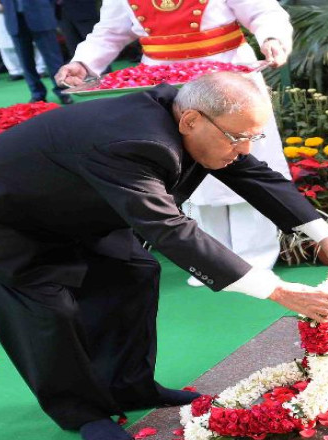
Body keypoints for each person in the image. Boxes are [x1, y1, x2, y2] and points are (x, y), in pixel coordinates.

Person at [0, 72, 328, 440]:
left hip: (74, 202)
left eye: (253, 137)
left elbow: (253, 175)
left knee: (133, 271)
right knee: (48, 308)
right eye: (238, 137)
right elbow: (170, 229)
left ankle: (130, 387)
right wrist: (277, 290)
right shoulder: (137, 141)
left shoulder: (196, 118)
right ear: (191, 121)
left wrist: (322, 237)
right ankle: (80, 411)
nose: (245, 148)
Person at [54, 0, 294, 273]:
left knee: (243, 158)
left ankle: (257, 254)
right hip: (163, 82)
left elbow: (263, 11)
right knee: (187, 169)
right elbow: (110, 31)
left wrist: (272, 37)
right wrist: (83, 63)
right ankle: (215, 259)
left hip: (226, 73)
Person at [0, 0, 70, 103]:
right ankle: (36, 93)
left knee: (53, 59)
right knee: (25, 61)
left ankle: (63, 91)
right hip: (14, 18)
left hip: (41, 15)